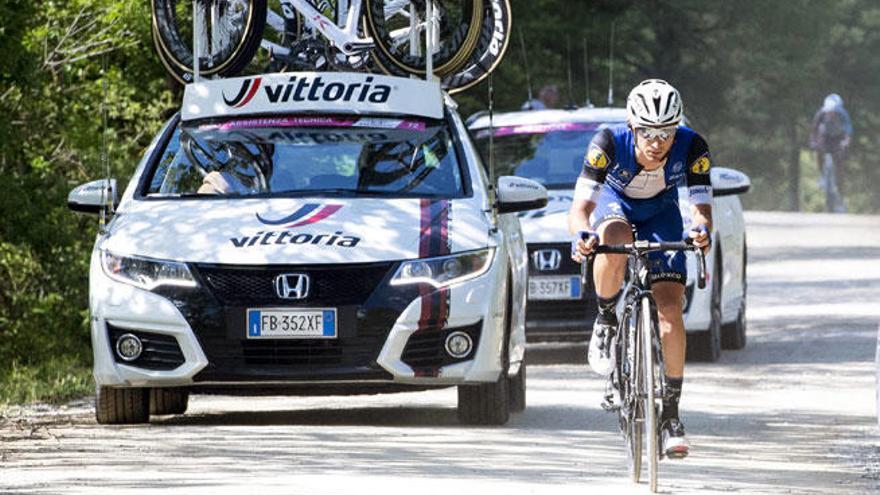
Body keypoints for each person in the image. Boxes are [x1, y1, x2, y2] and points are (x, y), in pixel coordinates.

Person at [568, 79, 712, 459]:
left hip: (662, 214)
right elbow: (581, 208)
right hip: (617, 207)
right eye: (648, 132)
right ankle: (605, 320)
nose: (657, 142)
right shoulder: (608, 143)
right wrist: (582, 235)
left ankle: (672, 417)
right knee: (612, 237)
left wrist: (701, 230)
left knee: (669, 309)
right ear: (632, 125)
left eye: (666, 132)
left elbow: (700, 208)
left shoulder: (692, 146)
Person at [809, 93, 852, 213]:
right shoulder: (820, 114)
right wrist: (813, 142)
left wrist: (846, 142)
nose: (830, 114)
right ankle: (822, 175)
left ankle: (841, 198)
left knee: (839, 163)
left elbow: (848, 130)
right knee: (819, 147)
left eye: (833, 112)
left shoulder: (843, 114)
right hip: (825, 139)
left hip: (837, 140)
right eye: (829, 112)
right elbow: (814, 128)